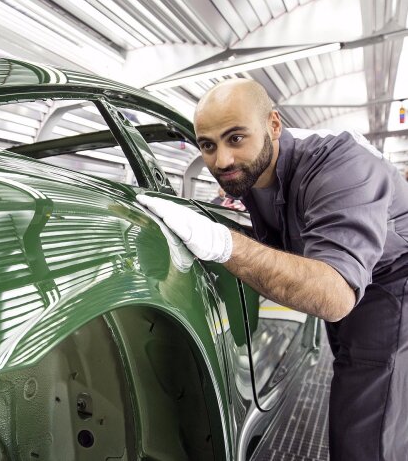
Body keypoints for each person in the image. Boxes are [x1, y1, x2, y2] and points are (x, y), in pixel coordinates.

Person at [137, 79, 408, 460]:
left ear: (274, 125)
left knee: (367, 413)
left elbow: (333, 297)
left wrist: (222, 243)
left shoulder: (342, 167)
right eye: (208, 145)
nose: (222, 162)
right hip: (347, 279)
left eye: (235, 138)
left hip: (392, 285)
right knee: (352, 364)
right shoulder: (251, 173)